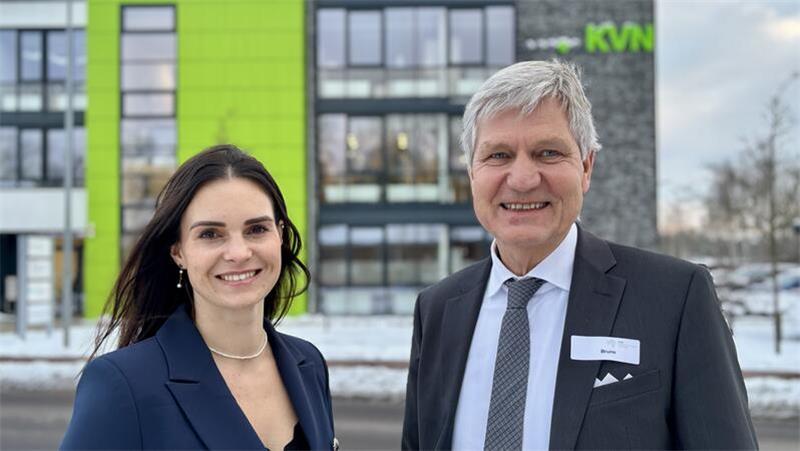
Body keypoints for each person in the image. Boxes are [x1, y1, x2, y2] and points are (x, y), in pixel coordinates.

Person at [401, 61, 758, 450]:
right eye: (498, 155)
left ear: (586, 167)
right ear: (472, 173)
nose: (522, 179)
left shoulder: (675, 299)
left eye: (548, 153)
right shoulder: (438, 310)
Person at [62, 145, 337, 450]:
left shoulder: (309, 364)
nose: (238, 253)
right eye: (210, 234)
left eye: (257, 229)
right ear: (178, 251)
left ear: (280, 236)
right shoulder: (122, 384)